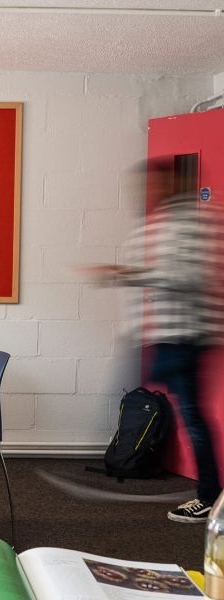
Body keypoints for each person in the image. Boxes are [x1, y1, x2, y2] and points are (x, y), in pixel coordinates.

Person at [84, 158, 224, 523]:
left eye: (154, 184)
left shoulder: (188, 222)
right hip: (171, 334)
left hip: (185, 334)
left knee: (191, 416)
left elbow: (185, 277)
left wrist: (127, 273)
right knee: (175, 406)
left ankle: (210, 497)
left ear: (173, 183)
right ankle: (208, 492)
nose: (148, 192)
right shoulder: (165, 223)